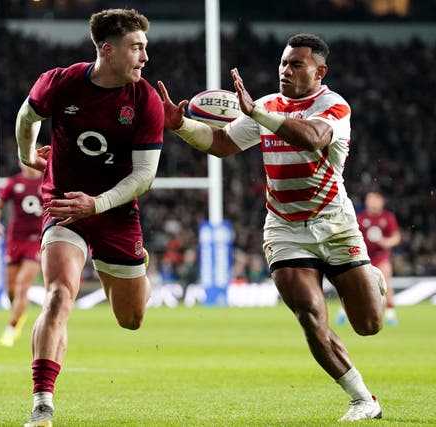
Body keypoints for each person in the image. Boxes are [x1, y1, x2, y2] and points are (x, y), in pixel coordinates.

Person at [158, 33, 386, 422]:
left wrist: (258, 114)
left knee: (368, 325)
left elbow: (313, 138)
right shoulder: (264, 105)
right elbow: (223, 143)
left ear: (320, 71)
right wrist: (181, 125)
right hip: (284, 228)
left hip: (336, 225)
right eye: (283, 62)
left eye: (296, 64)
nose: (285, 70)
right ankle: (362, 398)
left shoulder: (334, 106)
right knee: (310, 316)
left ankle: (369, 277)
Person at [15, 8, 164, 427]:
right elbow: (27, 118)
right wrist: (25, 154)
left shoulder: (145, 100)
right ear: (107, 50)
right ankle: (42, 405)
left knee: (130, 320)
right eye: (137, 48)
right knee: (60, 293)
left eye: (145, 47)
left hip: (115, 212)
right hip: (63, 205)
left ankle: (137, 270)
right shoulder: (60, 82)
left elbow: (144, 176)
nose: (144, 57)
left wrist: (95, 203)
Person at [0, 161, 44, 347]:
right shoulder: (14, 183)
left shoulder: (47, 182)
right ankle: (19, 312)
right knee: (11, 289)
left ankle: (11, 328)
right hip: (15, 241)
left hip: (36, 241)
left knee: (22, 285)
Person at [338, 191, 401, 326]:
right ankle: (343, 312)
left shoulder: (388, 217)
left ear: (381, 202)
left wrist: (386, 242)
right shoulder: (361, 218)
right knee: (352, 285)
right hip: (363, 256)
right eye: (370, 200)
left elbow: (396, 238)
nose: (372, 203)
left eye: (375, 200)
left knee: (386, 284)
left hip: (381, 257)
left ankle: (390, 315)